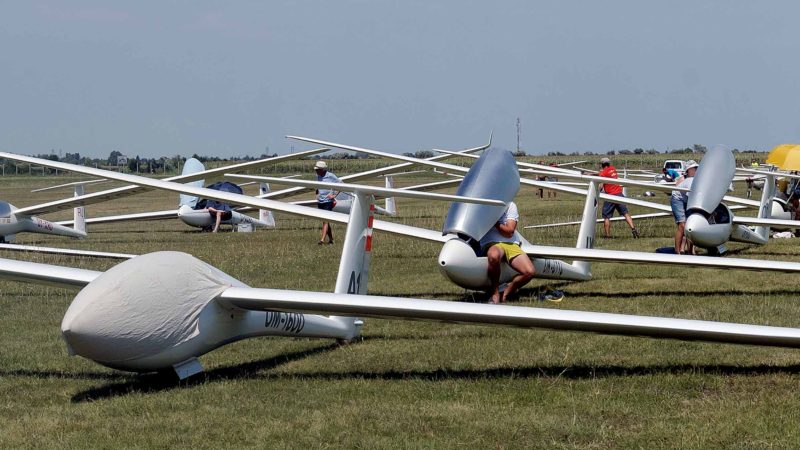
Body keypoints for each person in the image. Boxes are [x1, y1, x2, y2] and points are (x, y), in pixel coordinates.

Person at [480, 202, 536, 304]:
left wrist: (494, 222)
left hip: (511, 243)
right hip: (491, 242)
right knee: (494, 255)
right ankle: (495, 293)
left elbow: (509, 232)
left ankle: (506, 292)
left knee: (529, 272)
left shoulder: (510, 205)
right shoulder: (482, 204)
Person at [598, 157, 639, 238]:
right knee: (626, 213)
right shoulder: (613, 169)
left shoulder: (603, 173)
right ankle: (633, 229)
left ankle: (607, 236)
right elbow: (602, 174)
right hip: (619, 194)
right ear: (609, 163)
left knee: (606, 217)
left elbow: (601, 185)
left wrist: (597, 192)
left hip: (610, 196)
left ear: (602, 165)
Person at [670, 161, 698, 254]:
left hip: (686, 200)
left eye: (697, 168)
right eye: (694, 169)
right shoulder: (690, 181)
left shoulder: (696, 180)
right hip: (677, 199)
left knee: (691, 226)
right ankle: (677, 252)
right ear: (688, 170)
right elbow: (693, 198)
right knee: (682, 225)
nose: (696, 170)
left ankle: (690, 251)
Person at [314, 160, 341, 245]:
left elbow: (341, 185)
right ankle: (331, 239)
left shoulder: (331, 176)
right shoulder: (318, 176)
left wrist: (334, 195)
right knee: (325, 221)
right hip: (320, 201)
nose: (316, 171)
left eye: (317, 169)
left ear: (322, 169)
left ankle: (322, 240)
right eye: (316, 169)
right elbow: (317, 187)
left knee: (325, 220)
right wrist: (317, 193)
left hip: (328, 201)